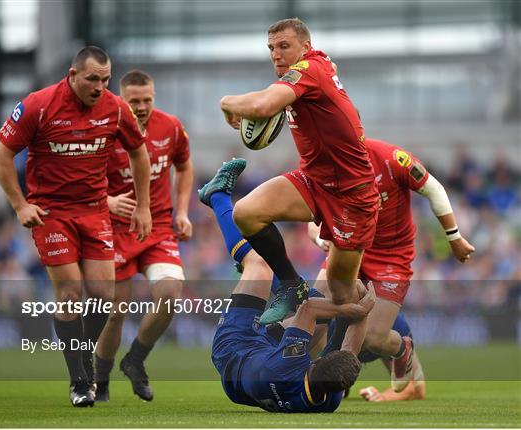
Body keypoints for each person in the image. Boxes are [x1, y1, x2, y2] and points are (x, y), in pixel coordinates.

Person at [0, 46, 152, 407]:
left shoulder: (114, 108)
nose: (100, 86)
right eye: (93, 79)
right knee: (70, 293)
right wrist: (20, 205)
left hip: (95, 212)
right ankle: (80, 380)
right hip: (52, 214)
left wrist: (143, 206)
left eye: (106, 79)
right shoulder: (38, 105)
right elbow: (1, 156)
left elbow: (139, 153)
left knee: (103, 295)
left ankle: (82, 360)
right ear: (72, 75)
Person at [219, 19, 379, 341]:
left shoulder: (309, 69)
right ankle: (291, 284)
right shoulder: (313, 70)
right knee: (246, 212)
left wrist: (226, 103)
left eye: (284, 46)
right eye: (271, 48)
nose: (276, 55)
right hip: (314, 180)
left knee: (341, 293)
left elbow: (263, 105)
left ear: (305, 47)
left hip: (353, 197)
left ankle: (347, 352)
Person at [198, 159, 375, 413]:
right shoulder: (330, 400)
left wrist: (355, 310)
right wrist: (363, 308)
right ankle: (289, 277)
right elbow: (349, 352)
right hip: (256, 365)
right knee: (323, 322)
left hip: (235, 348)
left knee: (260, 265)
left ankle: (217, 197)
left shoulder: (289, 364)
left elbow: (310, 309)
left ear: (313, 363)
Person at [308, 137, 475, 392]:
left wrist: (454, 237)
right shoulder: (324, 165)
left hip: (390, 255)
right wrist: (319, 237)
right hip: (349, 249)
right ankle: (298, 379)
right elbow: (309, 214)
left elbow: (433, 188)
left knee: (373, 338)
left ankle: (401, 348)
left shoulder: (391, 158)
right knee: (313, 313)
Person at [94, 70, 193, 402]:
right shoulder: (104, 130)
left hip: (158, 226)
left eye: (147, 99)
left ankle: (135, 360)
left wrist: (181, 211)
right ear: (122, 99)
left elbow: (184, 164)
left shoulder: (171, 127)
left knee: (170, 292)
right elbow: (83, 180)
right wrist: (107, 202)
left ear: (154, 96)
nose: (141, 106)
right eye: (133, 100)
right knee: (114, 311)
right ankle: (101, 379)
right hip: (114, 230)